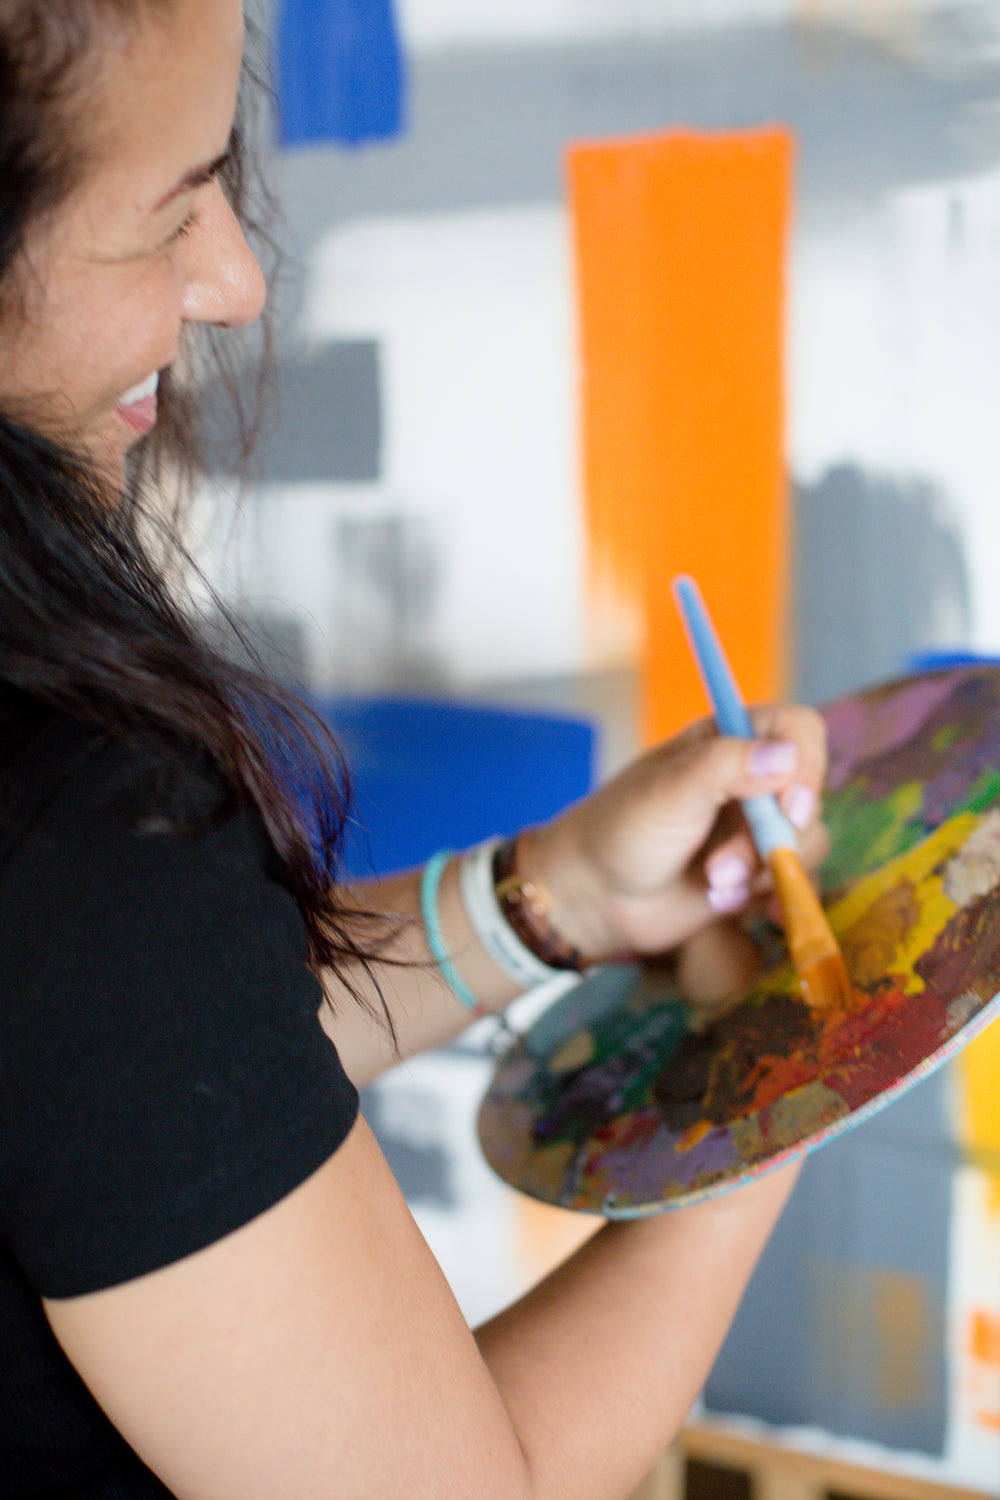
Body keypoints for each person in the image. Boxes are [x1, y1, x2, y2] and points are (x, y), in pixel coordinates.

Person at [0, 1, 829, 1495]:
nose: (237, 282)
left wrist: (551, 898)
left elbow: (120, 1089)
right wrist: (791, 1076)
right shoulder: (66, 824)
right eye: (167, 216)